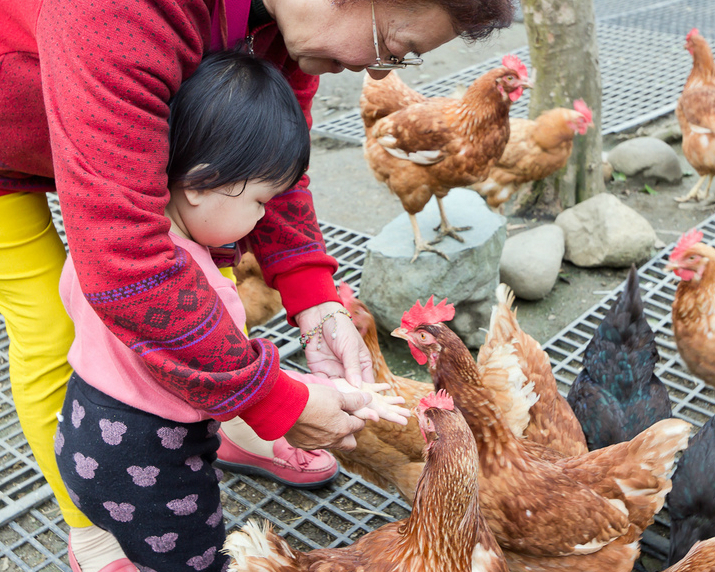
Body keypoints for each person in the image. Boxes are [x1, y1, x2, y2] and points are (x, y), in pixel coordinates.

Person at [0, 0, 514, 570]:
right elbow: (125, 263)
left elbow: (275, 168)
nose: (375, 70)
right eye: (394, 49)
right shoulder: (114, 10)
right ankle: (92, 531)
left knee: (203, 288)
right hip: (11, 134)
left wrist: (315, 299)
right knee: (51, 329)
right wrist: (273, 399)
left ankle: (219, 420)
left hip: (150, 158)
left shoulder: (299, 31)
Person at [54, 50, 409, 572]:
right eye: (262, 201)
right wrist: (330, 394)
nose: (264, 217)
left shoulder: (99, 252)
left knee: (135, 535)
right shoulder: (201, 290)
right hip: (157, 465)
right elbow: (228, 373)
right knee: (197, 559)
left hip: (81, 436)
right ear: (199, 185)